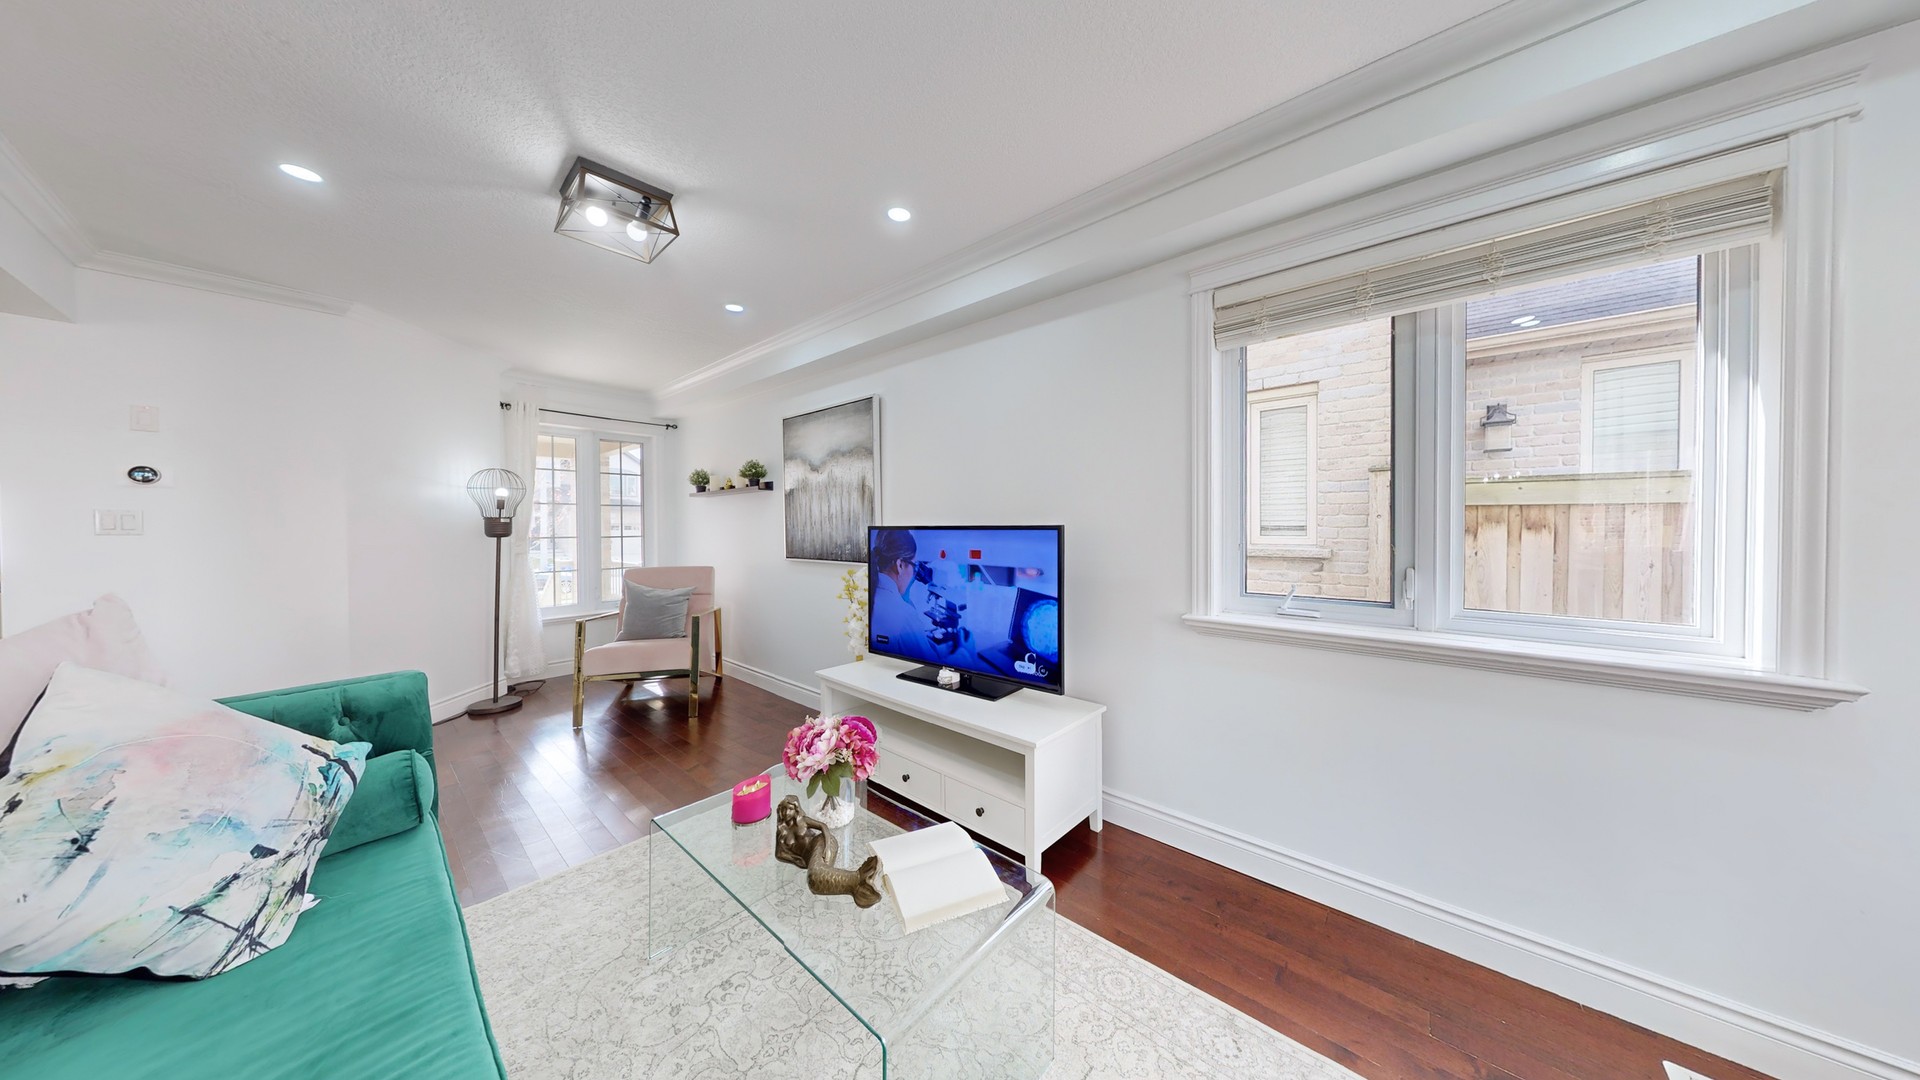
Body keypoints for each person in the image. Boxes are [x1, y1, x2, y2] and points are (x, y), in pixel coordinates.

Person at [869, 528, 975, 666]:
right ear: (900, 565)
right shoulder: (905, 615)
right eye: (913, 566)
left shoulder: (873, 595)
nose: (915, 573)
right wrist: (965, 652)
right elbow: (932, 667)